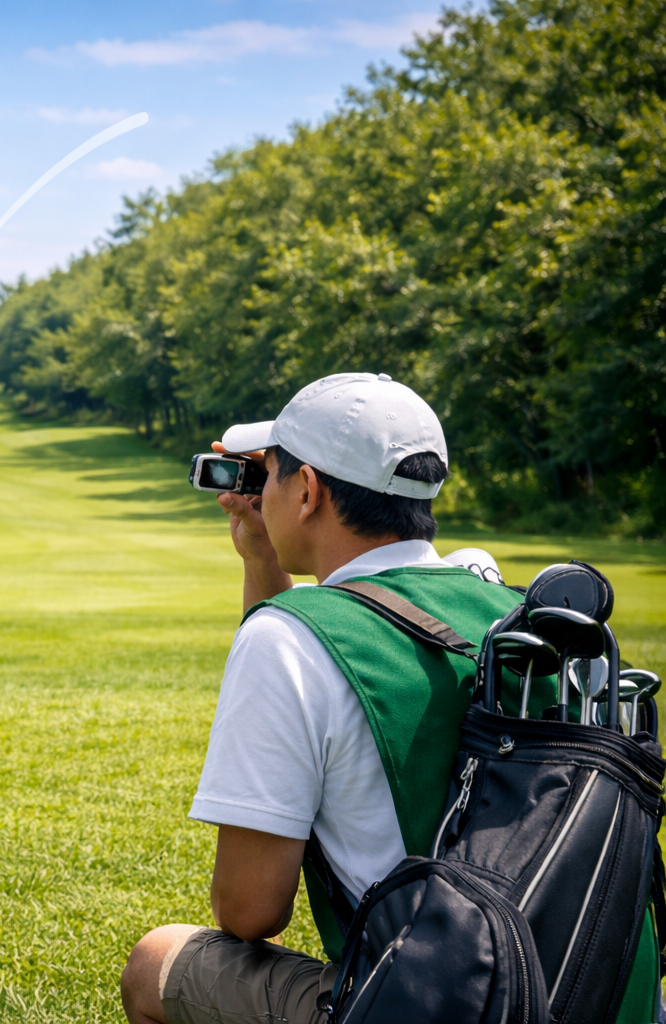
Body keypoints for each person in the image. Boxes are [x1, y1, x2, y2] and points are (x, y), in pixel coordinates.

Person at [118, 372, 540, 1024]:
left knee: (156, 961)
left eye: (274, 471)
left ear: (308, 490)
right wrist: (263, 562)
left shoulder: (289, 639)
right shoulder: (518, 613)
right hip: (568, 983)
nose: (263, 487)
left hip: (435, 1002)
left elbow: (249, 911)